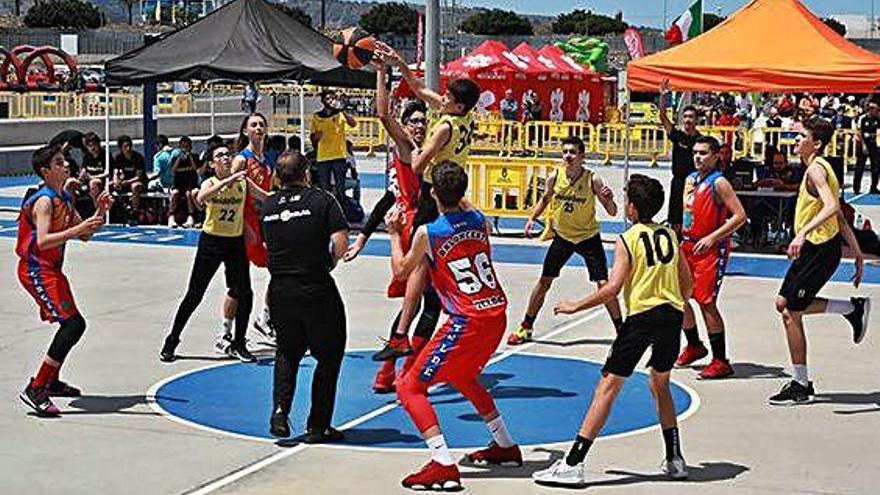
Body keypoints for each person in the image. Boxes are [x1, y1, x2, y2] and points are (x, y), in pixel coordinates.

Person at [532, 174, 693, 486]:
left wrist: (575, 305)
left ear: (631, 208)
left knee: (607, 387)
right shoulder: (671, 236)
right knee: (660, 384)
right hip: (672, 316)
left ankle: (574, 463)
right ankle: (675, 459)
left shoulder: (627, 239)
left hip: (642, 317)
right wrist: (670, 302)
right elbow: (687, 285)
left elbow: (613, 288)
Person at [387, 161, 521, 491]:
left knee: (408, 387)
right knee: (463, 376)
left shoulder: (428, 233)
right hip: (496, 315)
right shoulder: (478, 219)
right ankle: (504, 444)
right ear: (463, 192)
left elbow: (402, 272)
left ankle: (442, 463)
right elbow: (461, 204)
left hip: (468, 320)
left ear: (433, 194)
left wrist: (393, 235)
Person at [372, 41, 480, 362]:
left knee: (416, 267)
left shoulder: (443, 127)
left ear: (457, 106)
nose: (441, 98)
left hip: (434, 196)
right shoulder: (463, 117)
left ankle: (401, 335)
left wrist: (410, 150)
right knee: (432, 285)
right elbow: (420, 90)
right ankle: (406, 342)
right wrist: (398, 63)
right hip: (454, 192)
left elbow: (418, 166)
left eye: (447, 97)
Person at [344, 60, 440, 394]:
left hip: (433, 229)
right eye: (413, 121)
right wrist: (383, 75)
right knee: (421, 305)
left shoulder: (431, 150)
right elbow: (384, 115)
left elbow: (386, 197)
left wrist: (364, 236)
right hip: (418, 229)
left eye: (421, 121)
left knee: (422, 305)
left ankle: (391, 373)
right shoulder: (408, 150)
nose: (418, 126)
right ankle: (401, 373)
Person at [769, 117, 870, 405]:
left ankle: (800, 384)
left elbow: (832, 206)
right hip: (818, 249)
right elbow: (838, 216)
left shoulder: (816, 169)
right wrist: (858, 252)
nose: (795, 140)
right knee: (783, 305)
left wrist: (801, 232)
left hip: (819, 251)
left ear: (817, 143)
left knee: (790, 312)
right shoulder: (818, 168)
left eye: (801, 136)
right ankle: (852, 308)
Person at [17, 143, 114, 417]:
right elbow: (44, 240)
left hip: (51, 270)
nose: (66, 165)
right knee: (73, 325)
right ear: (46, 171)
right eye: (59, 162)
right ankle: (36, 387)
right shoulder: (44, 201)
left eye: (65, 161)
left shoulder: (64, 199)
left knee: (73, 325)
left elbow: (86, 234)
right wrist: (76, 229)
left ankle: (50, 380)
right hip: (36, 269)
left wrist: (100, 211)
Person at [264, 151, 350, 444]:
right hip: (315, 286)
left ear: (278, 177)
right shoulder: (322, 200)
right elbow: (340, 244)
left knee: (287, 351)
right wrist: (327, 263)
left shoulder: (269, 205)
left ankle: (279, 410)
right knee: (329, 354)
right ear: (307, 173)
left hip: (280, 288)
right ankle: (318, 424)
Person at [508, 136, 622, 345]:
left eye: (572, 152)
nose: (568, 156)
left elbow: (613, 212)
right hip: (563, 236)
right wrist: (532, 218)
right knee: (544, 281)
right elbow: (545, 198)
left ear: (582, 157)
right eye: (565, 152)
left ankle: (621, 330)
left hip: (588, 237)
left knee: (603, 284)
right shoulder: (555, 176)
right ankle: (526, 326)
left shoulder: (592, 179)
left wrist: (609, 199)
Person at [160, 142, 261, 363]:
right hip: (211, 243)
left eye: (228, 154)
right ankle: (172, 339)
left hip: (234, 242)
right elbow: (201, 199)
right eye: (220, 155)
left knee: (244, 291)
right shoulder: (210, 182)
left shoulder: (243, 182)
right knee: (195, 294)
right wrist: (226, 182)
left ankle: (239, 342)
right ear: (213, 163)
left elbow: (264, 196)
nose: (226, 157)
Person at [674, 136, 746, 379]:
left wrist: (713, 237)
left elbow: (739, 216)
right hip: (687, 245)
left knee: (706, 302)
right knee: (679, 297)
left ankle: (720, 359)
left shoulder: (720, 183)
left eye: (703, 153)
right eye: (695, 152)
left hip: (710, 250)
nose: (697, 157)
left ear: (716, 156)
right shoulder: (690, 180)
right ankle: (694, 345)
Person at [218, 114, 274, 350]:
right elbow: (233, 194)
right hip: (245, 224)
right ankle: (224, 332)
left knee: (278, 269)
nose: (258, 128)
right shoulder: (242, 160)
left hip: (263, 223)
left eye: (261, 124)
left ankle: (265, 317)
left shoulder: (266, 161)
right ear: (245, 132)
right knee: (238, 284)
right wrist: (243, 226)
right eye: (253, 125)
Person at [659, 79, 702, 232]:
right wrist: (663, 95)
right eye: (685, 117)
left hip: (694, 183)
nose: (687, 120)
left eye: (691, 117)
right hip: (678, 182)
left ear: (696, 120)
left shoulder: (701, 140)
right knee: (675, 220)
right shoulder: (677, 135)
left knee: (692, 218)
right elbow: (663, 117)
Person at [310, 90, 357, 204]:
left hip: (339, 155)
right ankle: (326, 214)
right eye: (328, 98)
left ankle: (342, 213)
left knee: (340, 188)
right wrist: (317, 136)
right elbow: (312, 137)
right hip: (323, 157)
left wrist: (343, 110)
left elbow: (353, 123)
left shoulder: (340, 114)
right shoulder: (317, 116)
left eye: (333, 98)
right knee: (325, 188)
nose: (331, 101)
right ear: (323, 101)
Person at [110, 135, 147, 225]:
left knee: (135, 186)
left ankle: (134, 212)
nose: (128, 148)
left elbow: (139, 176)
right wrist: (116, 181)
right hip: (124, 183)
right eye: (125, 146)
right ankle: (116, 211)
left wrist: (127, 182)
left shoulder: (138, 157)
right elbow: (115, 172)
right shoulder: (118, 158)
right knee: (109, 185)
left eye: (129, 145)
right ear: (120, 148)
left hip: (137, 182)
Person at [170, 136, 200, 228]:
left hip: (191, 184)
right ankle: (171, 217)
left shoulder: (195, 156)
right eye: (183, 146)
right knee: (174, 194)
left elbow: (195, 168)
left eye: (187, 146)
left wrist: (189, 156)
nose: (185, 148)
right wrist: (179, 158)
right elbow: (173, 170)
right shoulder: (175, 158)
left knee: (188, 194)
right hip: (178, 185)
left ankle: (190, 217)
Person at [853, 101, 880, 194]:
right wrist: (864, 146)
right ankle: (856, 188)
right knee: (860, 166)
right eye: (876, 110)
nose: (877, 112)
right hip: (862, 144)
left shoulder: (877, 118)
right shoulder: (862, 118)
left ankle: (873, 188)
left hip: (873, 144)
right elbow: (858, 133)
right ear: (871, 110)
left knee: (876, 166)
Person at [80, 131, 112, 203]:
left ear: (98, 144)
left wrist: (92, 177)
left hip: (101, 181)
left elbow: (107, 173)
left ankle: (98, 209)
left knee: (93, 183)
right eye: (89, 146)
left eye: (94, 145)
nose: (92, 148)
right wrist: (81, 176)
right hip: (87, 181)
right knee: (71, 183)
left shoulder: (105, 155)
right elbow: (84, 169)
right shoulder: (86, 156)